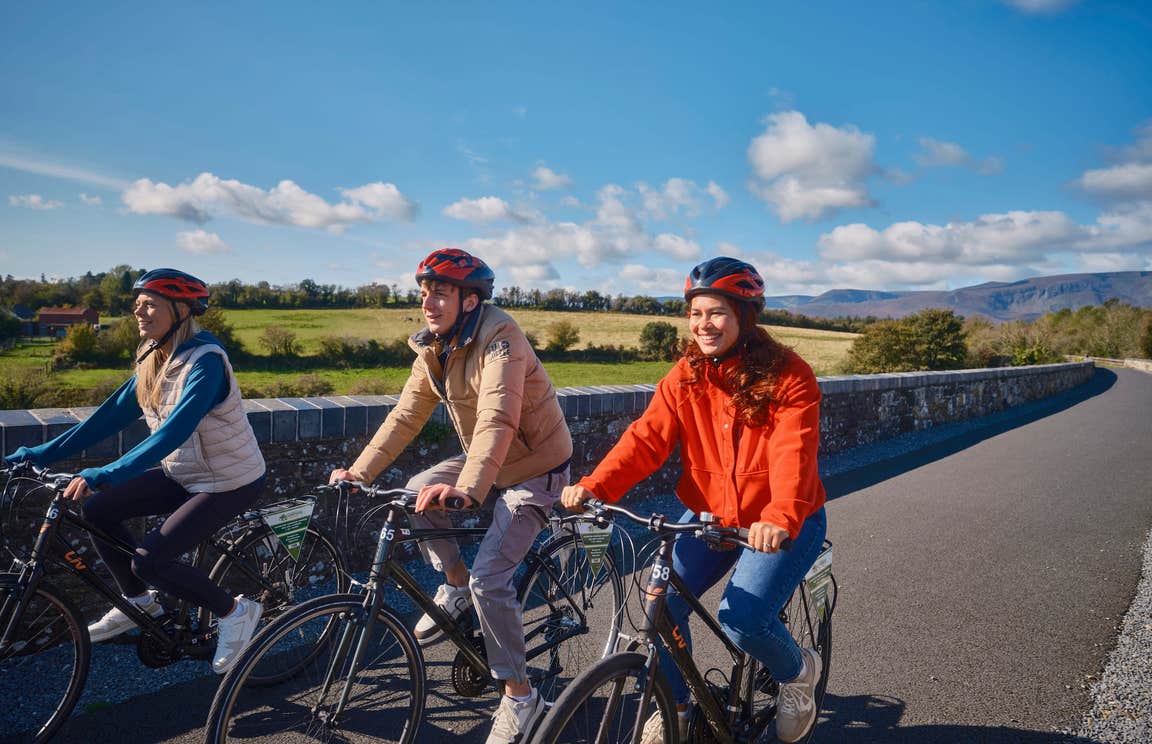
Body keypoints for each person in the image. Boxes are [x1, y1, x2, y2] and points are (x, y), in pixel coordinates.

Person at [561, 257, 829, 744]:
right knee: (657, 605)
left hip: (784, 520)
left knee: (743, 621)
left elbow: (794, 455)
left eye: (717, 313)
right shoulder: (686, 374)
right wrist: (595, 486)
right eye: (696, 313)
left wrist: (779, 517)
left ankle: (797, 672)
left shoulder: (790, 376)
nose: (704, 325)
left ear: (745, 316)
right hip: (710, 515)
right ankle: (677, 708)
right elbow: (646, 440)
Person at [329, 247, 573, 744]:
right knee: (416, 493)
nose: (428, 303)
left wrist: (465, 490)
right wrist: (359, 471)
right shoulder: (434, 347)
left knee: (492, 578)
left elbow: (498, 417)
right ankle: (454, 584)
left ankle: (522, 698)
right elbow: (405, 416)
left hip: (535, 466)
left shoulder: (501, 337)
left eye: (440, 292)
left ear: (469, 299)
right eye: (424, 293)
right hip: (488, 459)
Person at [3, 268, 267, 675]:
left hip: (229, 480)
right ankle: (138, 602)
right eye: (137, 305)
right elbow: (105, 420)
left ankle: (236, 612)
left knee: (151, 560)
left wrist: (104, 473)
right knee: (98, 511)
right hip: (184, 474)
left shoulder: (206, 362)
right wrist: (36, 454)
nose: (138, 313)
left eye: (149, 305)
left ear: (180, 310)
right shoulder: (152, 357)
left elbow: (174, 432)